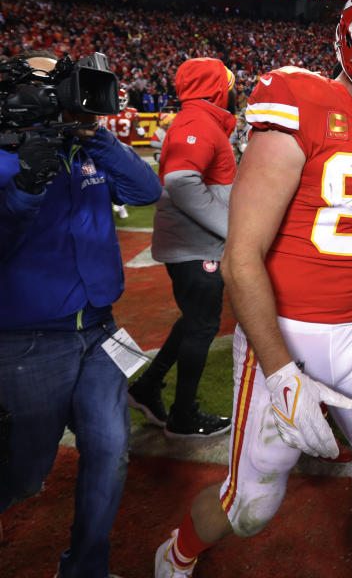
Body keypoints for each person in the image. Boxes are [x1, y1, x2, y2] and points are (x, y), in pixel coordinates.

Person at [152, 0, 352, 578]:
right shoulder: (297, 98)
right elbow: (242, 254)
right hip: (285, 329)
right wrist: (280, 369)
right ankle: (175, 556)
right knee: (252, 506)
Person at [0, 50, 162, 578]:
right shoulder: (5, 153)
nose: (66, 93)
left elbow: (146, 190)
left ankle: (85, 571)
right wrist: (25, 185)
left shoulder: (86, 146)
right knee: (23, 475)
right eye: (53, 84)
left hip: (100, 329)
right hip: (29, 341)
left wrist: (99, 134)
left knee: (112, 452)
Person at [127, 57, 237, 438]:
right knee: (202, 325)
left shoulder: (198, 120)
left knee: (194, 320)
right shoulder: (196, 122)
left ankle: (147, 386)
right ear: (215, 87)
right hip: (196, 245)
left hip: (194, 243)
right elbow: (180, 182)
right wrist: (230, 228)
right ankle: (183, 415)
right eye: (227, 83)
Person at [98, 87, 147, 218]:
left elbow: (137, 126)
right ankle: (117, 203)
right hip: (108, 148)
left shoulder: (132, 113)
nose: (119, 103)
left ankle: (120, 203)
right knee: (107, 177)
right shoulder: (104, 112)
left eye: (122, 100)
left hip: (125, 148)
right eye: (117, 100)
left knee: (124, 177)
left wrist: (139, 130)